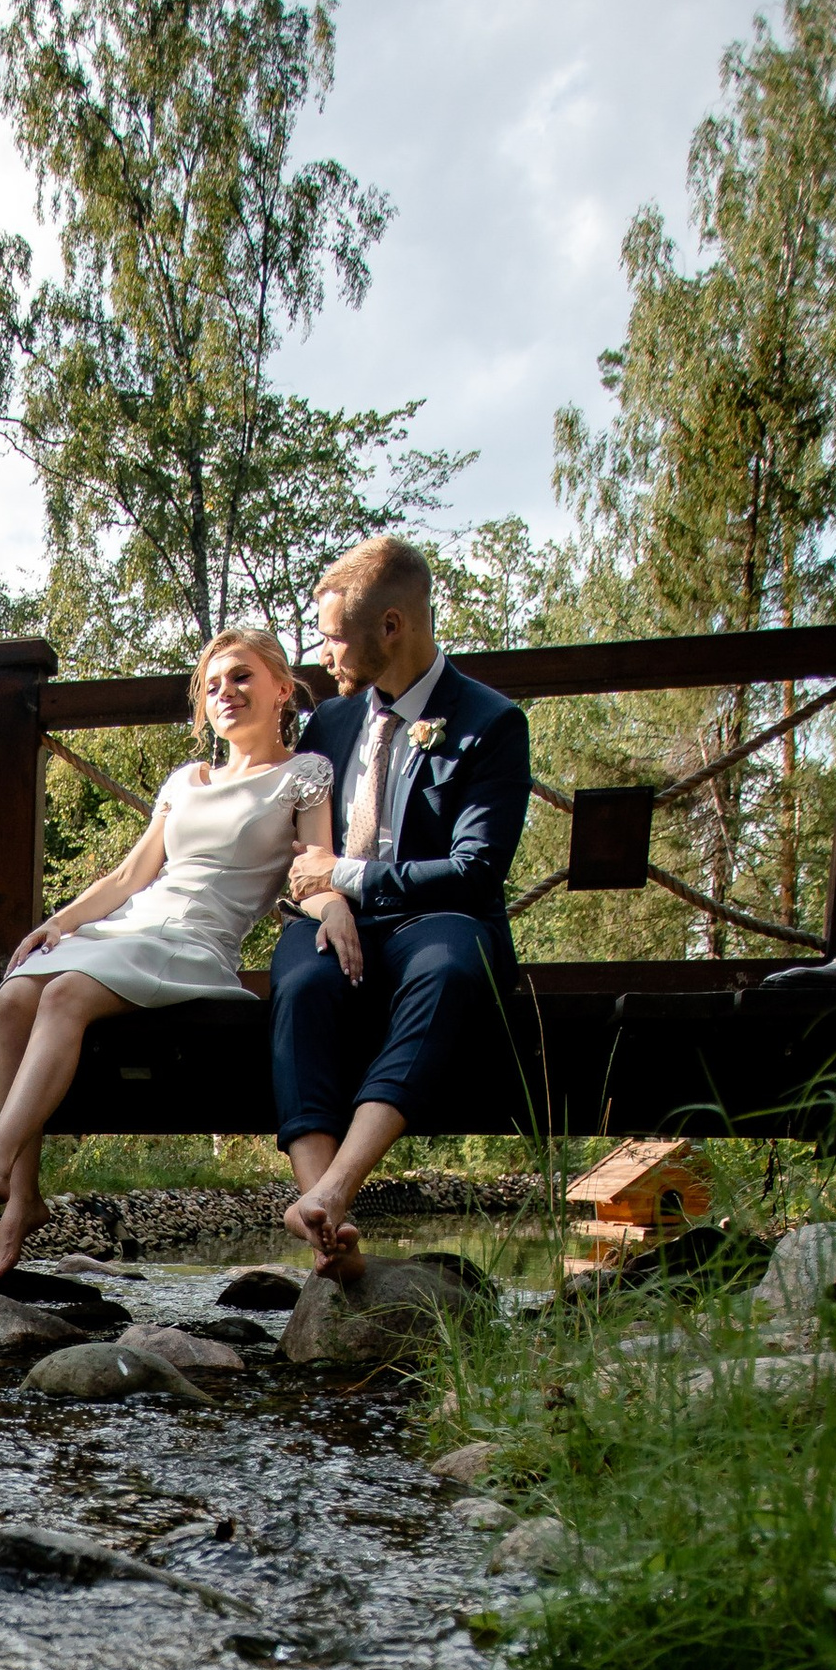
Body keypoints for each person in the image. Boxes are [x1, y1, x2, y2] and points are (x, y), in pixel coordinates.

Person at [0, 624, 343, 1278]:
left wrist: (336, 908)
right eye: (212, 686)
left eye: (241, 677)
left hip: (198, 942)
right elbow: (130, 876)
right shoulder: (186, 780)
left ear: (281, 690)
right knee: (15, 997)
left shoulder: (302, 776)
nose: (225, 693)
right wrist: (57, 924)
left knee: (64, 994)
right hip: (133, 928)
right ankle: (24, 1199)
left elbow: (316, 867)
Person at [272, 535, 531, 1268]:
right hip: (334, 917)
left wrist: (347, 878)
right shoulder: (330, 724)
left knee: (448, 971)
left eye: (332, 638)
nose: (322, 655)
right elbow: (300, 855)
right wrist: (330, 901)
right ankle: (320, 1216)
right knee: (301, 982)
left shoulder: (491, 722)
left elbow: (476, 871)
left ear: (392, 626)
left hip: (437, 922)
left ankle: (337, 1189)